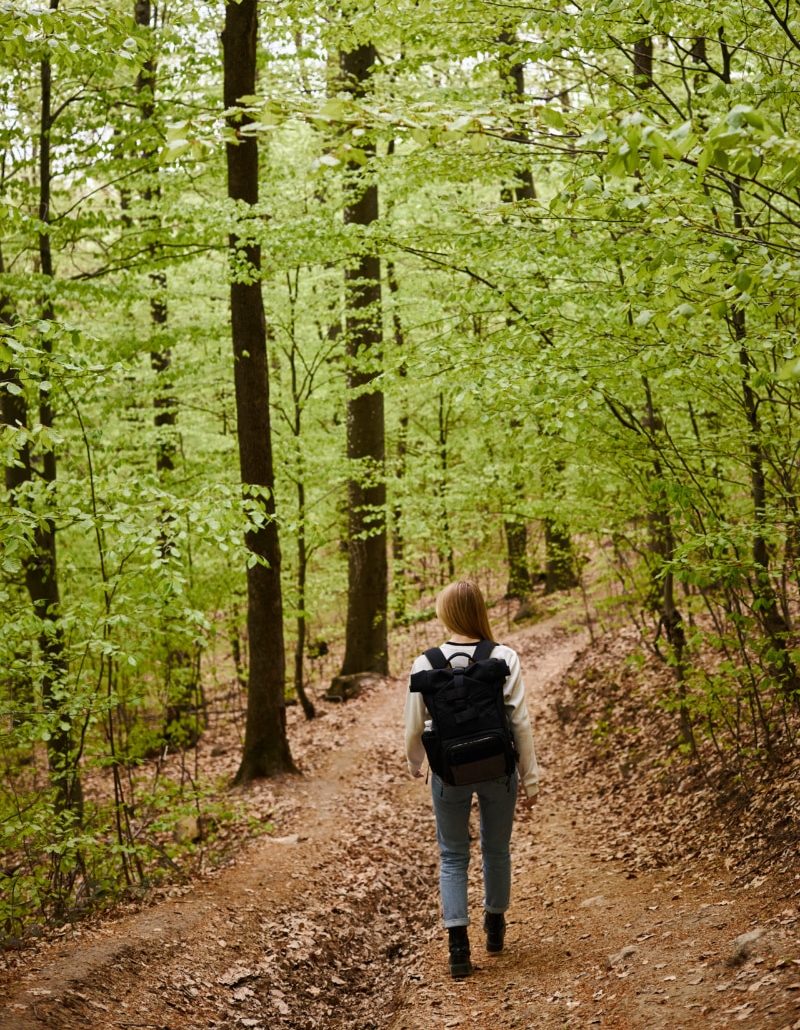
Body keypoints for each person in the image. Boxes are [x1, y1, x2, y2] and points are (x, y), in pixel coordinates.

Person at [404, 579, 539, 978]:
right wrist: (529, 779)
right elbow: (520, 722)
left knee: (452, 855)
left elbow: (414, 725)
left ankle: (458, 945)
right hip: (498, 770)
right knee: (496, 849)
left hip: (449, 772)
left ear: (446, 614)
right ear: (480, 611)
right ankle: (495, 925)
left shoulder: (425, 662)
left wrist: (417, 763)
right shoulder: (504, 657)